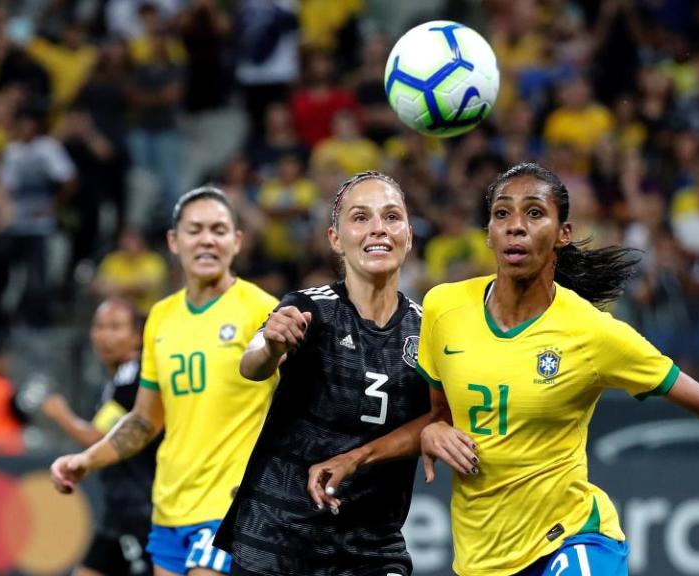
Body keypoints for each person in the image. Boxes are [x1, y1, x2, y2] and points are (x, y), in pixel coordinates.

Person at [416, 162, 699, 576]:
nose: (516, 226)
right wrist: (430, 431)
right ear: (489, 232)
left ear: (563, 233)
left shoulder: (594, 334)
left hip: (572, 541)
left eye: (534, 213)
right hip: (479, 557)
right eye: (501, 214)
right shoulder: (444, 307)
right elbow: (440, 413)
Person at [211, 171, 434, 575]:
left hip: (372, 545)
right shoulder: (310, 308)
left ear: (409, 235)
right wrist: (272, 342)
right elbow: (254, 364)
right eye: (360, 217)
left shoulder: (428, 331)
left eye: (391, 217)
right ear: (336, 239)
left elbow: (437, 417)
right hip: (278, 538)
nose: (378, 229)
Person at [50, 186, 280, 576]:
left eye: (219, 229)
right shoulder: (160, 317)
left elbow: (299, 402)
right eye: (195, 229)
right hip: (169, 504)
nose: (207, 239)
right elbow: (144, 419)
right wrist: (87, 459)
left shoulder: (261, 308)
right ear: (174, 241)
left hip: (230, 505)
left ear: (237, 241)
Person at [42, 298, 156, 576]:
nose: (104, 336)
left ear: (137, 336)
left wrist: (60, 414)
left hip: (146, 510)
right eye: (100, 326)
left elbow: (98, 437)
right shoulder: (116, 380)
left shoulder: (138, 378)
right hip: (119, 511)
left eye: (116, 327)